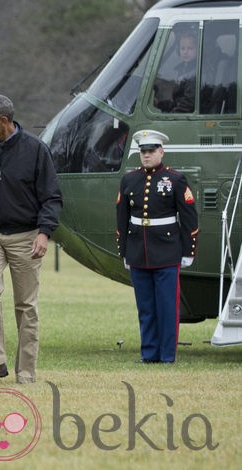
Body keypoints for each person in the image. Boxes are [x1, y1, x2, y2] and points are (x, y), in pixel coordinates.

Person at [0, 94, 62, 385]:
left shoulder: (35, 150)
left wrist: (44, 232)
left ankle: (26, 373)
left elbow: (52, 197)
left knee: (26, 306)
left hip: (27, 236)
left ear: (3, 121)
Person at [115, 129, 198, 364]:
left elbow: (189, 217)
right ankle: (149, 354)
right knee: (146, 307)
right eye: (143, 151)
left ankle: (167, 355)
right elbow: (122, 217)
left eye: (151, 151)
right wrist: (124, 251)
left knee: (167, 307)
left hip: (167, 251)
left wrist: (188, 251)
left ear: (161, 151)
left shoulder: (175, 179)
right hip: (138, 251)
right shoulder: (129, 179)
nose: (146, 155)